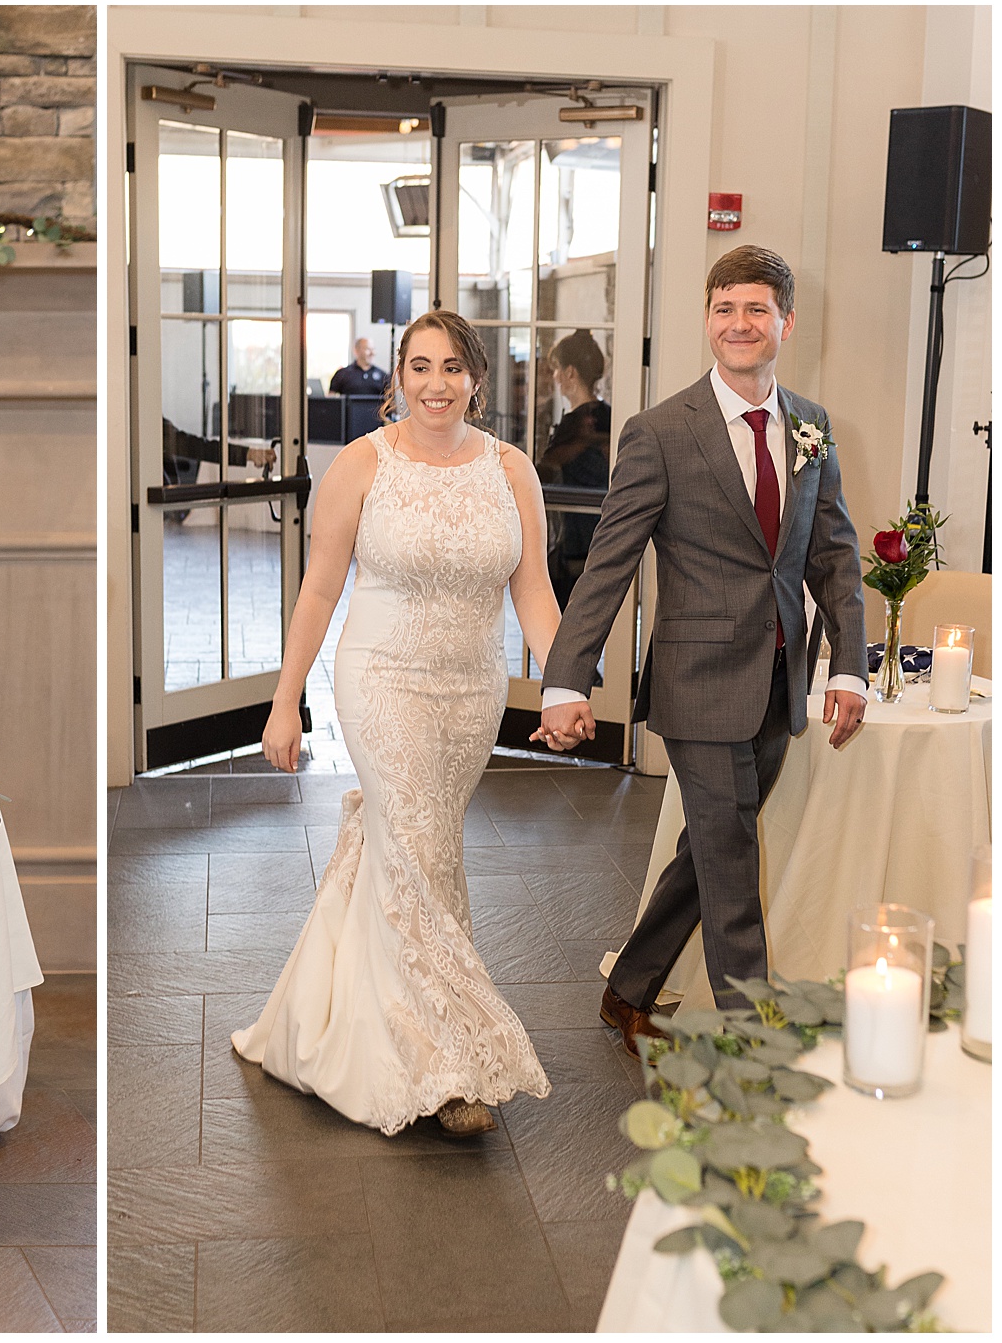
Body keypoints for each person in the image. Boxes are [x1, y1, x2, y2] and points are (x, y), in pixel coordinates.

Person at [232, 310, 559, 1138]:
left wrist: (562, 690)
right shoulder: (362, 464)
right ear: (398, 378)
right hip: (381, 680)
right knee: (416, 842)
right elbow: (318, 589)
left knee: (421, 845)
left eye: (452, 367)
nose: (436, 383)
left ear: (477, 379)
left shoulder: (513, 470)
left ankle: (326, 1012)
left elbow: (534, 596)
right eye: (420, 367)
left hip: (470, 691)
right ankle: (448, 1069)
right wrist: (284, 700)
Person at [537, 245, 867, 1049]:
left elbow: (833, 555)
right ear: (707, 321)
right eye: (725, 308)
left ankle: (630, 987)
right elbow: (609, 564)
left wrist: (852, 664)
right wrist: (565, 682)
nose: (740, 323)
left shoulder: (812, 427)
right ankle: (755, 1049)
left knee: (709, 851)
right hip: (696, 683)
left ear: (785, 322)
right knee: (729, 859)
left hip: (780, 681)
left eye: (757, 309)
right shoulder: (659, 434)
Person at [538, 329, 613, 604]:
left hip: (577, 540)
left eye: (557, 369)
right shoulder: (607, 415)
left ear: (570, 372)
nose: (555, 377)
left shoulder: (576, 424)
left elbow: (543, 471)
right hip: (598, 536)